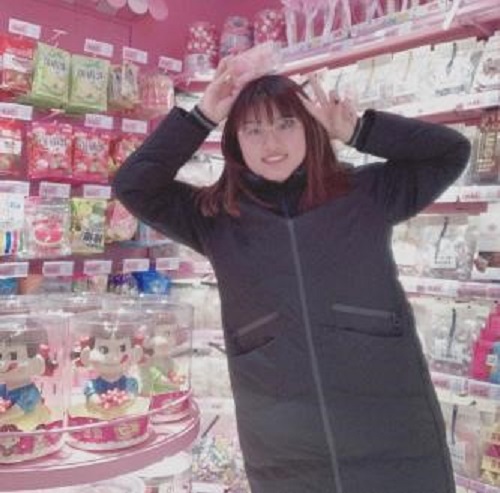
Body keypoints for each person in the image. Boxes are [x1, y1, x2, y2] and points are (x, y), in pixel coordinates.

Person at [114, 57, 471, 493]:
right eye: (253, 130)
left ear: (310, 127)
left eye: (285, 124)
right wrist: (202, 116)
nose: (271, 143)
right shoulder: (215, 217)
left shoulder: (367, 193)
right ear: (235, 143)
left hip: (391, 434)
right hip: (285, 450)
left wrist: (359, 131)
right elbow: (133, 185)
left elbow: (450, 152)